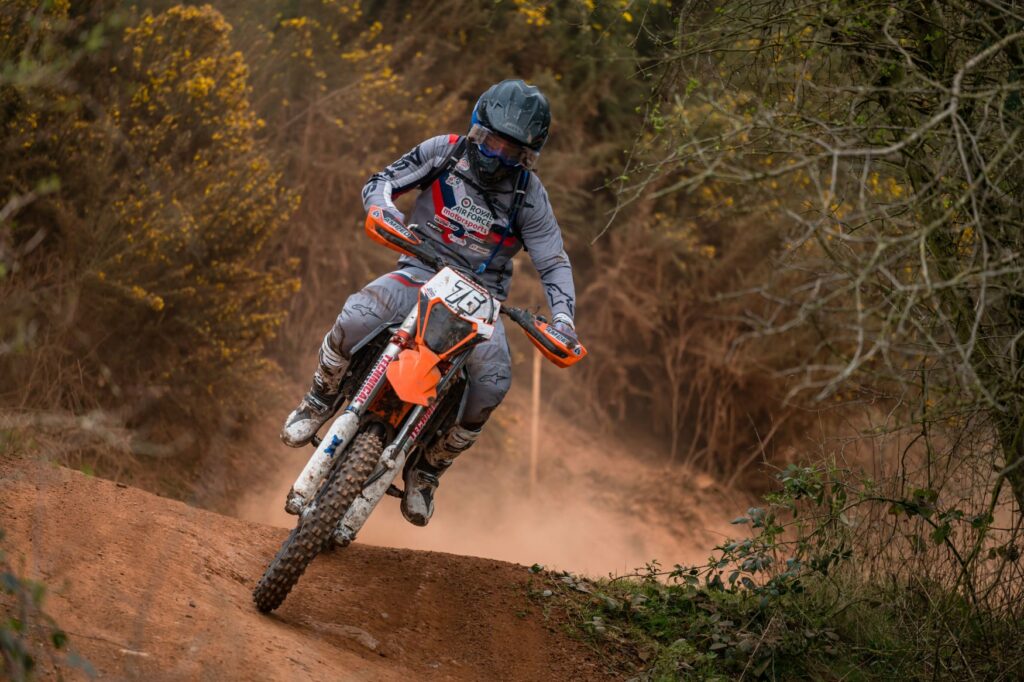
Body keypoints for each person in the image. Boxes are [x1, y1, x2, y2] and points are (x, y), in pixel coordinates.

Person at [281, 79, 578, 526]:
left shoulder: (529, 196)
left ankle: (429, 468)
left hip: (482, 300)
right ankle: (319, 398)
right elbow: (383, 181)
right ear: (477, 128)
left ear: (528, 156)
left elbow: (553, 262)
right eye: (492, 142)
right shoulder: (446, 151)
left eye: (512, 152)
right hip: (420, 268)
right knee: (356, 315)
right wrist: (383, 210)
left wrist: (564, 320)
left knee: (492, 383)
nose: (498, 156)